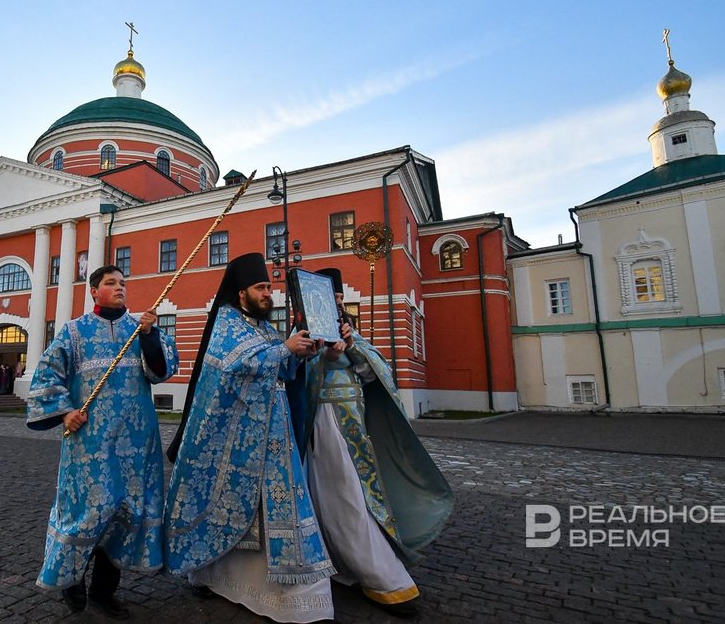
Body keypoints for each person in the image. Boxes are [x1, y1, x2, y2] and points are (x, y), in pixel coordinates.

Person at [164, 253, 334, 623]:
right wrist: (283, 350)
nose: (268, 293)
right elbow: (232, 366)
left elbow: (281, 368)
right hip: (236, 439)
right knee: (233, 505)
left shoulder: (265, 330)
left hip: (273, 435)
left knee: (280, 504)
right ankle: (215, 575)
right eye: (261, 288)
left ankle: (294, 597)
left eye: (269, 287)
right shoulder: (225, 323)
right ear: (241, 293)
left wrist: (300, 354)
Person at [299, 268, 454, 618]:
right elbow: (297, 377)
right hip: (326, 425)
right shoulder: (305, 332)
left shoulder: (349, 331)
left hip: (357, 422)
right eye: (332, 298)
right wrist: (324, 359)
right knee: (346, 497)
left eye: (340, 297)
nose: (339, 303)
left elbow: (375, 374)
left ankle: (349, 563)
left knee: (360, 495)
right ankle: (382, 576)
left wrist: (354, 349)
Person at [27, 265, 178, 618]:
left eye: (123, 283)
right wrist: (65, 412)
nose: (120, 287)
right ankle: (72, 577)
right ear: (94, 291)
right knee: (91, 510)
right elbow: (47, 374)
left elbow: (162, 371)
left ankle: (104, 591)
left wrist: (150, 336)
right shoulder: (74, 332)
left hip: (136, 442)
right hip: (90, 442)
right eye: (111, 283)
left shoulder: (139, 329)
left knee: (126, 511)